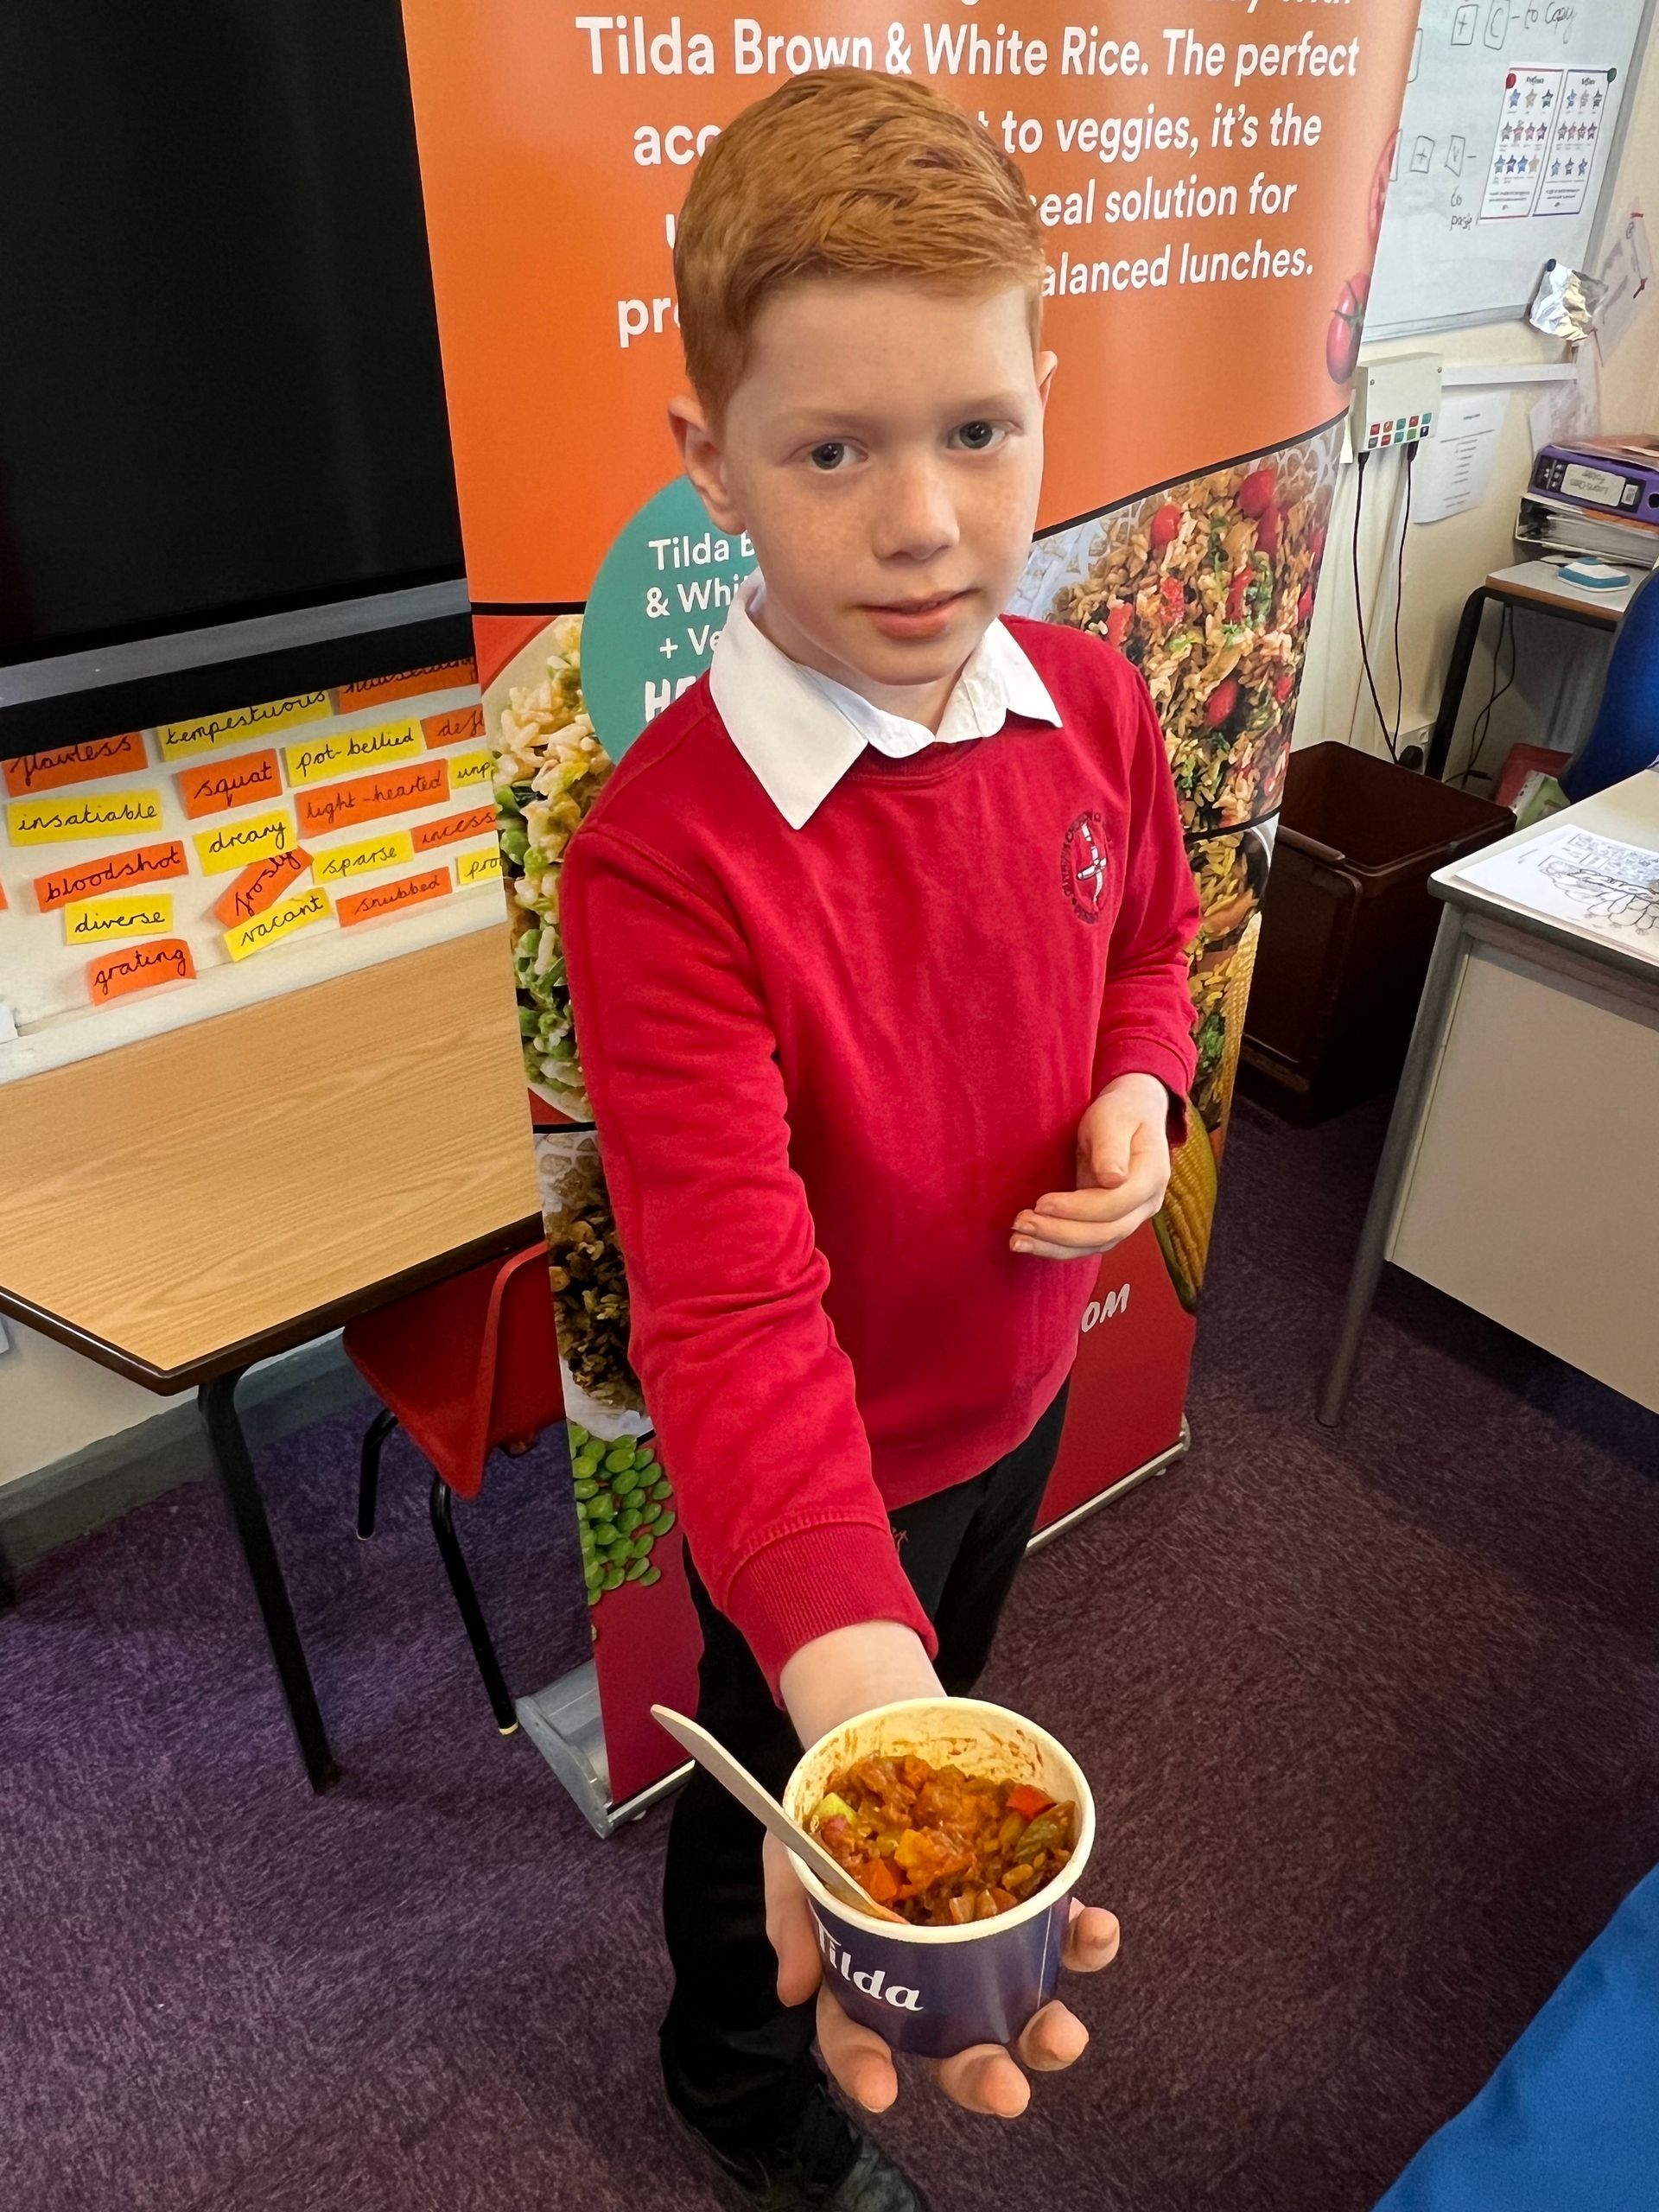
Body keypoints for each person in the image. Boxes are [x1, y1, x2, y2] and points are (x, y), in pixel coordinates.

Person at [561, 68, 1200, 2212]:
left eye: (976, 432)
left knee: (952, 1669)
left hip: (1019, 1393)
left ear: (1045, 394)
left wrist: (1146, 1081)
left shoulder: (1096, 702)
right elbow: (730, 1320)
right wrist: (869, 1726)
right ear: (711, 463)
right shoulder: (664, 868)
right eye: (832, 450)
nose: (923, 521)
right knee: (792, 1808)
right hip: (810, 1488)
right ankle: (745, 2091)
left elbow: (1151, 940)